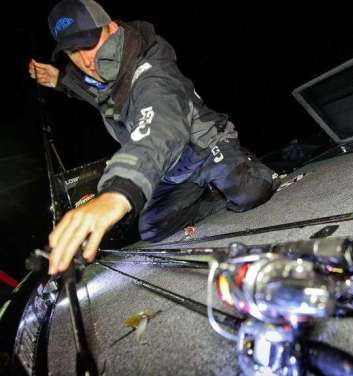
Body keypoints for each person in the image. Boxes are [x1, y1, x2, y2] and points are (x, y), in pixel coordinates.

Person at [28, 0, 276, 275]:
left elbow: (160, 126)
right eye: (73, 52)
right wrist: (59, 81)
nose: (86, 61)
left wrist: (119, 190)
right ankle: (212, 194)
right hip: (171, 169)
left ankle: (236, 168)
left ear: (112, 28)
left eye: (89, 43)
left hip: (203, 146)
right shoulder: (98, 80)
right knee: (151, 228)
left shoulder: (153, 69)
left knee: (251, 191)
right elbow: (90, 93)